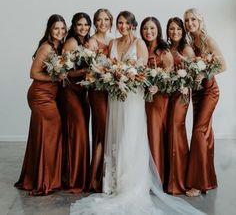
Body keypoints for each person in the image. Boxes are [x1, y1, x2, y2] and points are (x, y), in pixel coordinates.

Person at [70, 11, 205, 215]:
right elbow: (103, 65)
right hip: (115, 97)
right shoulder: (113, 43)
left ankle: (131, 182)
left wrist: (127, 75)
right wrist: (108, 73)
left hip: (133, 97)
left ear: (133, 26)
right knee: (115, 134)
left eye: (127, 23)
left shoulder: (139, 43)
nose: (123, 26)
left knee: (130, 136)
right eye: (120, 23)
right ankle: (112, 182)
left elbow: (142, 71)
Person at [15, 14, 67, 195]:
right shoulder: (46, 47)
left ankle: (42, 176)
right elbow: (33, 73)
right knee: (48, 134)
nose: (59, 32)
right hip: (40, 95)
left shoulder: (60, 46)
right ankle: (44, 180)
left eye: (62, 28)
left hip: (50, 96)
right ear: (49, 30)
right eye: (56, 28)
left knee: (46, 135)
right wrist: (55, 77)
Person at [184, 8, 226, 197]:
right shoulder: (189, 42)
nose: (190, 23)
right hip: (197, 93)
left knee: (199, 133)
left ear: (200, 21)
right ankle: (209, 179)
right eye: (187, 20)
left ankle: (198, 183)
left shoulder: (208, 40)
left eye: (193, 19)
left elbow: (223, 65)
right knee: (206, 134)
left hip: (209, 91)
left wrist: (204, 73)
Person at [60, 12, 91, 193]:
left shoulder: (85, 43)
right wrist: (85, 70)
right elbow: (64, 72)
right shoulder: (71, 42)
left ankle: (80, 176)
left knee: (81, 131)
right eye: (79, 24)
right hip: (70, 90)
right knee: (77, 131)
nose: (83, 28)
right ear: (73, 26)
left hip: (82, 91)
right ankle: (73, 179)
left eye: (86, 25)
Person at [140, 17, 173, 185]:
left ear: (158, 30)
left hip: (158, 98)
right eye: (145, 28)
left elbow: (170, 76)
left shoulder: (164, 51)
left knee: (154, 135)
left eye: (152, 28)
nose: (149, 32)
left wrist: (158, 87)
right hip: (141, 99)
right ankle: (143, 176)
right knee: (142, 135)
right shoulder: (141, 47)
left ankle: (157, 178)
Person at [165, 17, 195, 194]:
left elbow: (193, 74)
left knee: (177, 131)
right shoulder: (169, 48)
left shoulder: (187, 49)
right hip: (168, 94)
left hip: (182, 94)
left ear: (183, 31)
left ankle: (179, 181)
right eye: (171, 29)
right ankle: (170, 178)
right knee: (170, 131)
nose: (174, 32)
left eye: (177, 29)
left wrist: (187, 85)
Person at [87, 9, 113, 192]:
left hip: (110, 91)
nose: (103, 23)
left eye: (106, 19)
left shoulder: (113, 41)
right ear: (95, 22)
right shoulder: (92, 41)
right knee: (101, 132)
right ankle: (94, 178)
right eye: (99, 20)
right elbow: (89, 69)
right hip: (97, 91)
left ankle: (107, 177)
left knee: (111, 133)